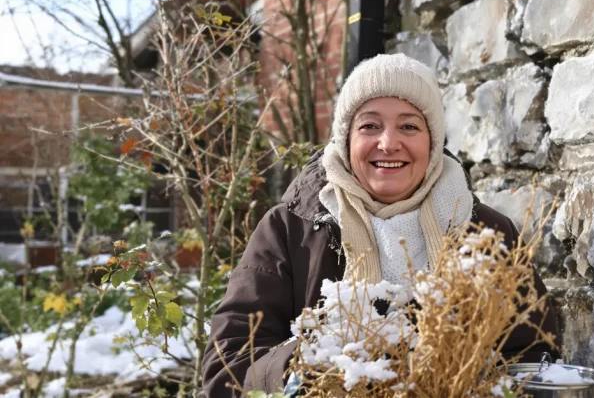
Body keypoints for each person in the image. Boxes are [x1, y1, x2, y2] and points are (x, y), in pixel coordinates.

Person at [202, 53, 559, 396]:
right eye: (370, 126)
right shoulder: (289, 230)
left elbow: (532, 359)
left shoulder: (487, 234)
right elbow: (227, 367)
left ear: (433, 141)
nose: (388, 144)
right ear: (346, 140)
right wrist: (308, 367)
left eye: (409, 126)